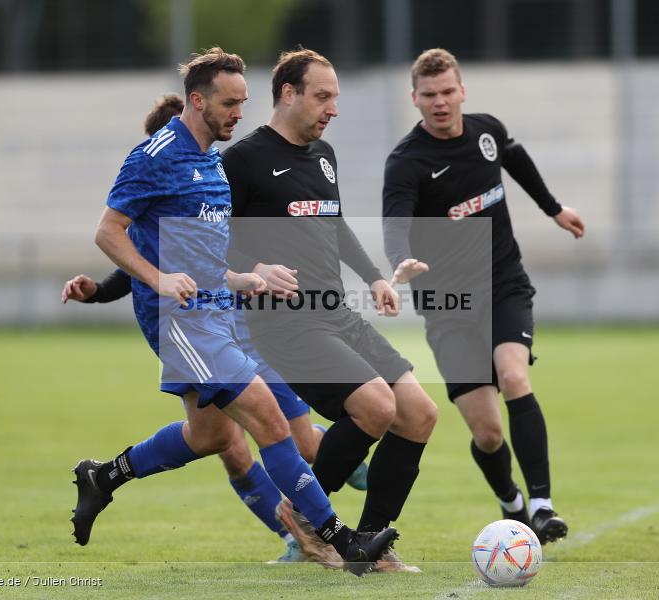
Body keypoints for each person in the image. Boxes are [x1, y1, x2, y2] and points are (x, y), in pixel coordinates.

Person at [70, 47, 397, 576]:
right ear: (197, 101)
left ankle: (103, 477)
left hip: (218, 312)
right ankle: (343, 539)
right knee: (271, 421)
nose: (239, 114)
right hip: (181, 321)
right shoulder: (156, 155)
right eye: (230, 104)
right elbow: (109, 232)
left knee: (210, 436)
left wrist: (245, 276)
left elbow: (198, 250)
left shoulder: (209, 163)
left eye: (244, 103)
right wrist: (154, 280)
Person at [224, 48, 438, 572]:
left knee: (418, 413)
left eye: (336, 98)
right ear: (288, 94)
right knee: (375, 407)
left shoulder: (324, 155)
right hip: (283, 323)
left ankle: (371, 545)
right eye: (323, 97)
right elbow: (209, 241)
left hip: (336, 312)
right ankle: (302, 514)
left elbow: (335, 226)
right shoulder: (242, 160)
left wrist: (373, 278)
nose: (333, 108)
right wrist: (255, 268)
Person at [382, 48, 585, 544]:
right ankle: (512, 501)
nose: (440, 102)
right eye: (429, 95)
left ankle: (541, 506)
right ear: (415, 99)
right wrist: (400, 261)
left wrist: (553, 209)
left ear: (462, 91)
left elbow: (514, 157)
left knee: (514, 374)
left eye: (448, 92)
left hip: (503, 283)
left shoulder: (486, 130)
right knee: (488, 433)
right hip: (449, 305)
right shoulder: (408, 162)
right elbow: (396, 220)